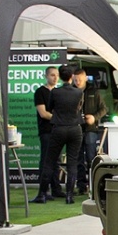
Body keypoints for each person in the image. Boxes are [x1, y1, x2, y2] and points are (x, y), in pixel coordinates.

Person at [35, 65, 84, 204]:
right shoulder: (79, 92)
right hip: (75, 129)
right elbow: (79, 108)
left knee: (49, 161)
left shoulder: (55, 92)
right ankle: (69, 195)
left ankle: (42, 194)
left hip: (59, 128)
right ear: (71, 77)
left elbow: (49, 108)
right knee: (72, 162)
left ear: (61, 77)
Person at [73, 68, 107, 195]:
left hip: (91, 129)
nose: (78, 82)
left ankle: (94, 185)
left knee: (91, 158)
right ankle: (81, 185)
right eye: (76, 80)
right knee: (78, 158)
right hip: (76, 129)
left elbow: (104, 109)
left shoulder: (94, 92)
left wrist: (94, 117)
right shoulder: (71, 92)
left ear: (85, 78)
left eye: (80, 80)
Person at [31, 66, 60, 203]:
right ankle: (43, 190)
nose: (55, 78)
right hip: (46, 131)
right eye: (52, 75)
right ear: (46, 76)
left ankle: (56, 189)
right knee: (46, 161)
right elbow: (43, 113)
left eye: (57, 75)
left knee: (56, 161)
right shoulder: (40, 92)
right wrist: (58, 117)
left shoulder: (59, 92)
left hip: (58, 131)